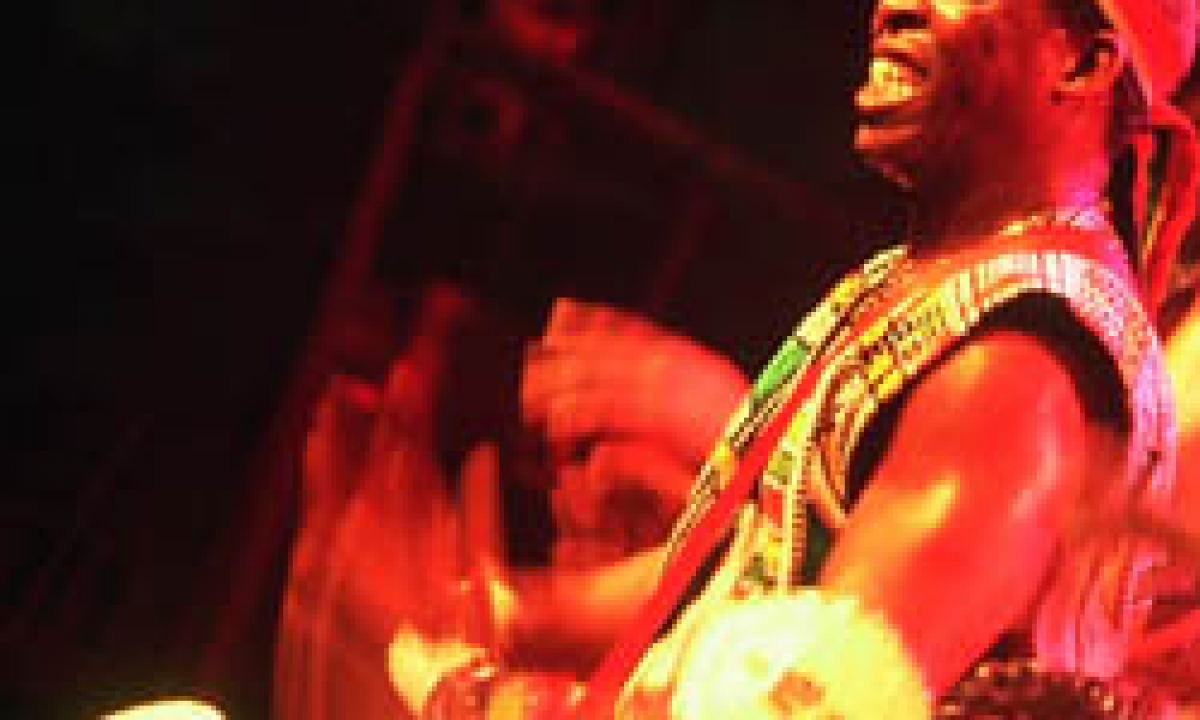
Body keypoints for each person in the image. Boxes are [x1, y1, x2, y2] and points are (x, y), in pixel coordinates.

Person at [386, 0, 1199, 716]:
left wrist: (484, 700)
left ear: (1082, 61)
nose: (894, 7)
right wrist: (496, 615)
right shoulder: (939, 283)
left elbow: (807, 702)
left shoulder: (1018, 368)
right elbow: (745, 573)